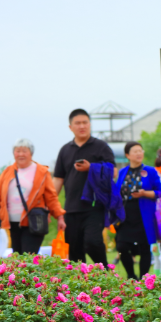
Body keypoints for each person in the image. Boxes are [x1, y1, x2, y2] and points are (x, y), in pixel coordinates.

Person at [51, 108, 117, 265]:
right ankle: (80, 283)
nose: (82, 126)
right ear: (70, 127)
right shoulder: (65, 150)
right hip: (71, 208)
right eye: (78, 123)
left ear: (90, 124)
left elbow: (113, 171)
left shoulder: (101, 146)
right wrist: (51, 205)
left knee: (92, 242)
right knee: (74, 250)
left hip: (94, 206)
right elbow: (58, 179)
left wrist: (91, 167)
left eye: (85, 122)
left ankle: (104, 272)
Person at [0, 138, 65, 255]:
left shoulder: (41, 172)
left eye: (24, 151)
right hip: (13, 223)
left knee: (28, 256)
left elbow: (51, 197)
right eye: (17, 151)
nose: (20, 154)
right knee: (17, 257)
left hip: (33, 221)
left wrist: (59, 216)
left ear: (31, 153)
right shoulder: (7, 172)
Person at [113, 141, 161, 280]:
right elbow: (117, 192)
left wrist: (145, 193)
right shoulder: (123, 171)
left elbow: (160, 192)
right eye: (135, 151)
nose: (138, 153)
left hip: (144, 214)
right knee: (122, 246)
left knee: (144, 247)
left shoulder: (150, 171)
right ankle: (131, 276)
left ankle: (143, 279)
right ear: (127, 155)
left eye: (140, 151)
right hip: (125, 215)